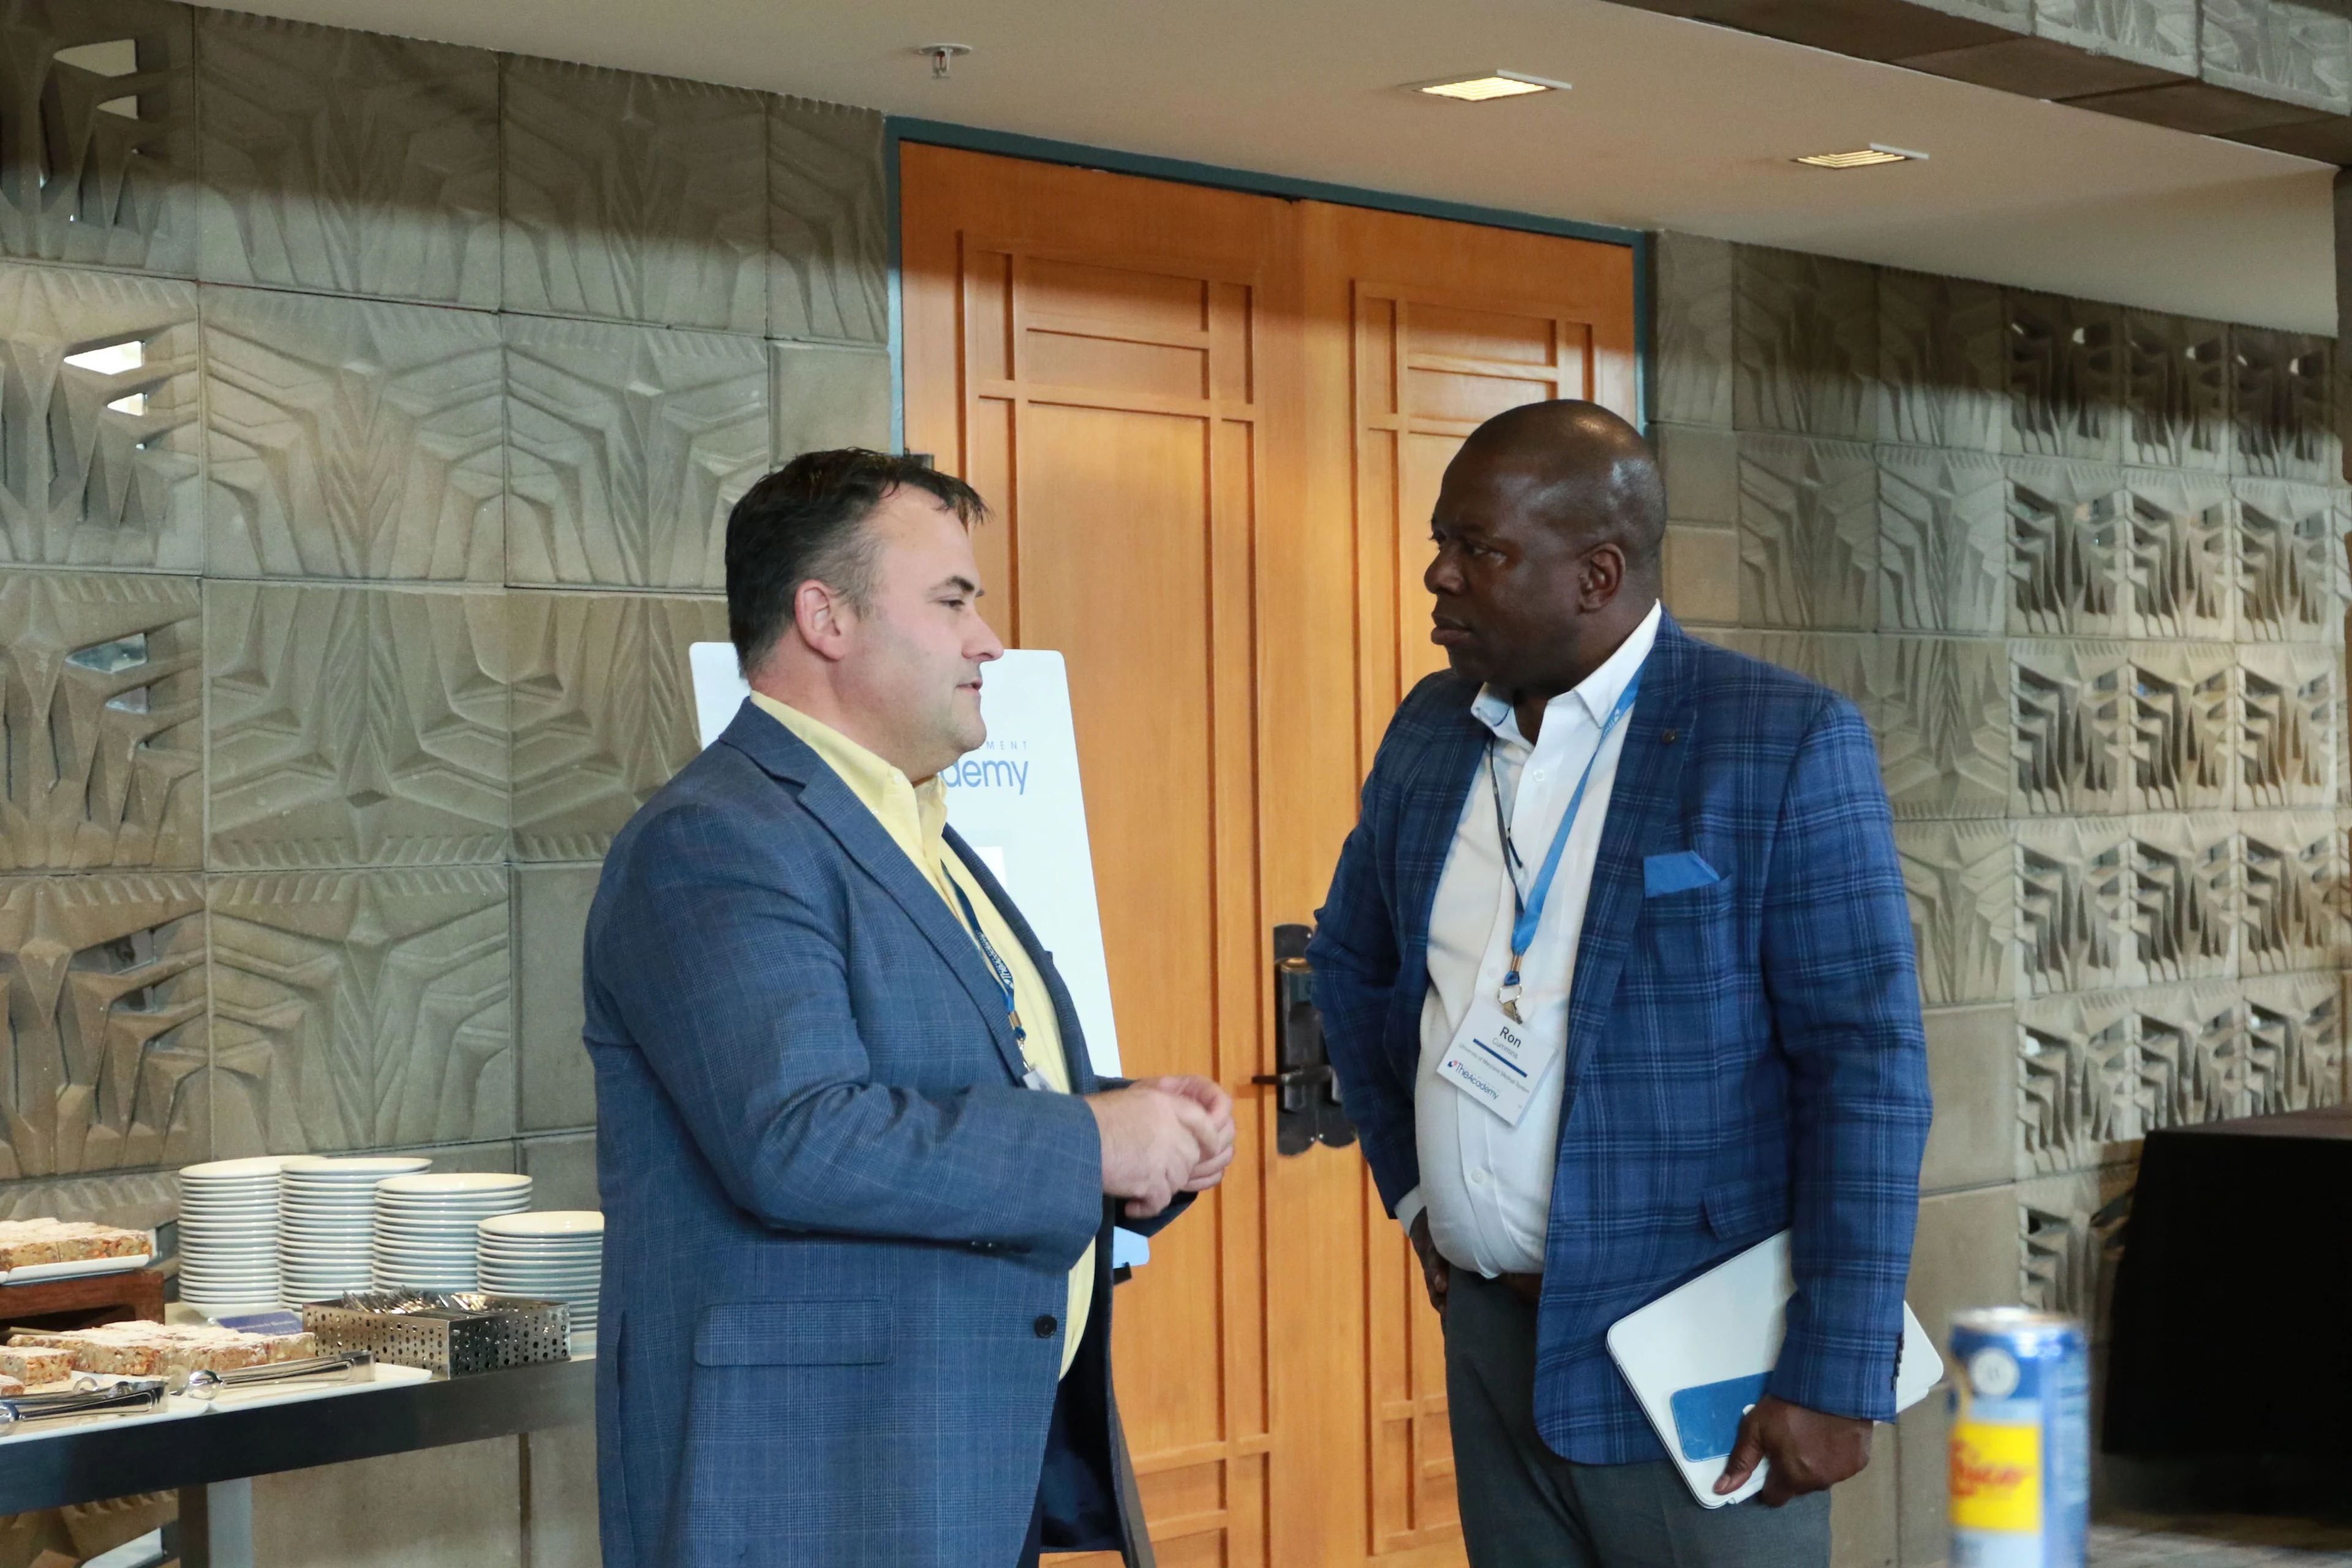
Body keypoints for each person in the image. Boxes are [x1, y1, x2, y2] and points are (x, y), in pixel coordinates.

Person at [583, 448, 1237, 1568]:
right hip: (822, 1486)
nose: (989, 642)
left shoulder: (915, 829)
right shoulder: (718, 841)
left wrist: (1137, 1135)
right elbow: (800, 1138)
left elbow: (956, 1088)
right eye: (954, 601)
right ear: (825, 618)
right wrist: (1089, 1139)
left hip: (959, 1455)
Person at [1308, 401, 1932, 1567]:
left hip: (1702, 1356)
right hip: (1493, 1335)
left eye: (1479, 549)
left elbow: (1866, 1069)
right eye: (1441, 540)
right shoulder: (1434, 730)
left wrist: (1841, 1370)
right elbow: (1354, 967)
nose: (1438, 577)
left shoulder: (1778, 740)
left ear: (1598, 573)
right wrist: (1415, 1196)